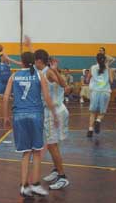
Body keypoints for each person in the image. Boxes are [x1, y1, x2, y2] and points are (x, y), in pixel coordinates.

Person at [2, 51, 58, 197]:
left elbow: (6, 98)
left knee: (26, 153)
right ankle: (35, 184)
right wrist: (55, 114)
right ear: (34, 61)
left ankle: (24, 186)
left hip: (18, 116)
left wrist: (6, 117)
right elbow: (46, 97)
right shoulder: (39, 75)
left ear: (22, 61)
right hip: (35, 115)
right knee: (37, 152)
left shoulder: (14, 76)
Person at [34, 49, 70, 190]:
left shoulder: (48, 71)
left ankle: (62, 177)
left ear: (39, 61)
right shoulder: (44, 70)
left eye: (35, 61)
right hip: (52, 110)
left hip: (54, 111)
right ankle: (56, 170)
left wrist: (55, 71)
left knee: (51, 144)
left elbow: (63, 85)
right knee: (52, 144)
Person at [87, 53, 113, 137]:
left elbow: (87, 79)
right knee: (102, 112)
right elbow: (112, 81)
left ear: (96, 59)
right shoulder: (108, 68)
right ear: (105, 59)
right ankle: (98, 120)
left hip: (95, 92)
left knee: (92, 112)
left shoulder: (92, 67)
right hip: (105, 92)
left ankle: (90, 130)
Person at [0, 46, 21, 111]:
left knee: (13, 95)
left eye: (4, 57)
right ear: (1, 58)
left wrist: (3, 50)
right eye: (2, 57)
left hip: (9, 82)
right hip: (1, 82)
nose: (4, 57)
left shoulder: (8, 63)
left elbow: (6, 56)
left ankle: (14, 105)